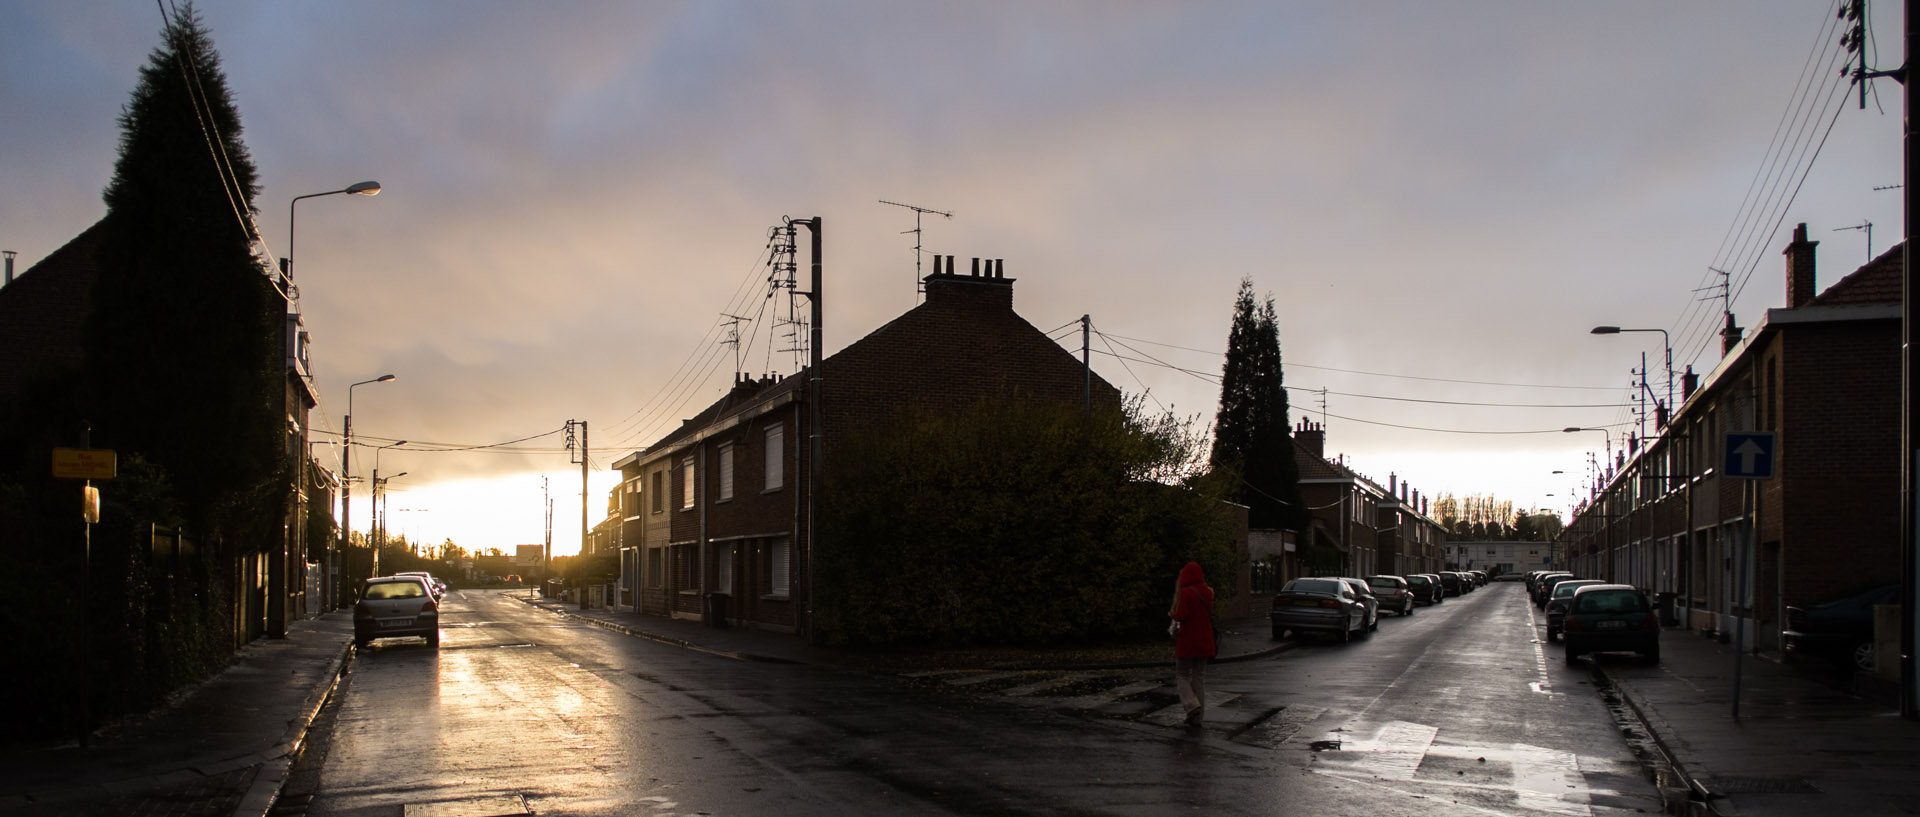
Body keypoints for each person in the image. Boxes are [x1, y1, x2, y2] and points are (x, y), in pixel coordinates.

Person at [1168, 561, 1216, 727]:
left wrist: (1172, 613)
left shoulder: (1186, 593)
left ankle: (1191, 705)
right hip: (1205, 641)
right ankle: (1198, 717)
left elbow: (1182, 615)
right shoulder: (1208, 593)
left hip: (1188, 640)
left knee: (1182, 674)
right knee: (1199, 678)